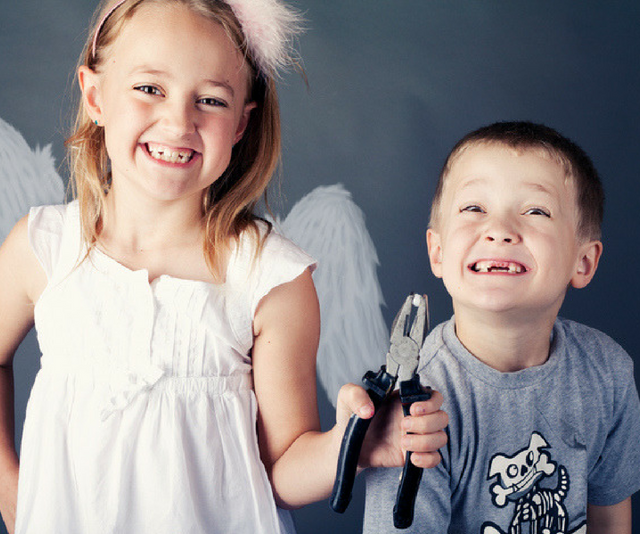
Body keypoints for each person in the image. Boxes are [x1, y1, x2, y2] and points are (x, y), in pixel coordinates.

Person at [0, 1, 449, 533]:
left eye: (210, 100)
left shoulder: (270, 278)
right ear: (95, 95)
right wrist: (16, 500)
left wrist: (351, 446)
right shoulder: (43, 245)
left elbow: (282, 471)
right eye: (149, 89)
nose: (178, 121)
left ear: (241, 123)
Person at [364, 121, 640, 534]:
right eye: (474, 208)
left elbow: (609, 513)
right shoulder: (417, 409)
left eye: (536, 211)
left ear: (583, 262)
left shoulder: (608, 372)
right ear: (437, 253)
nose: (500, 230)